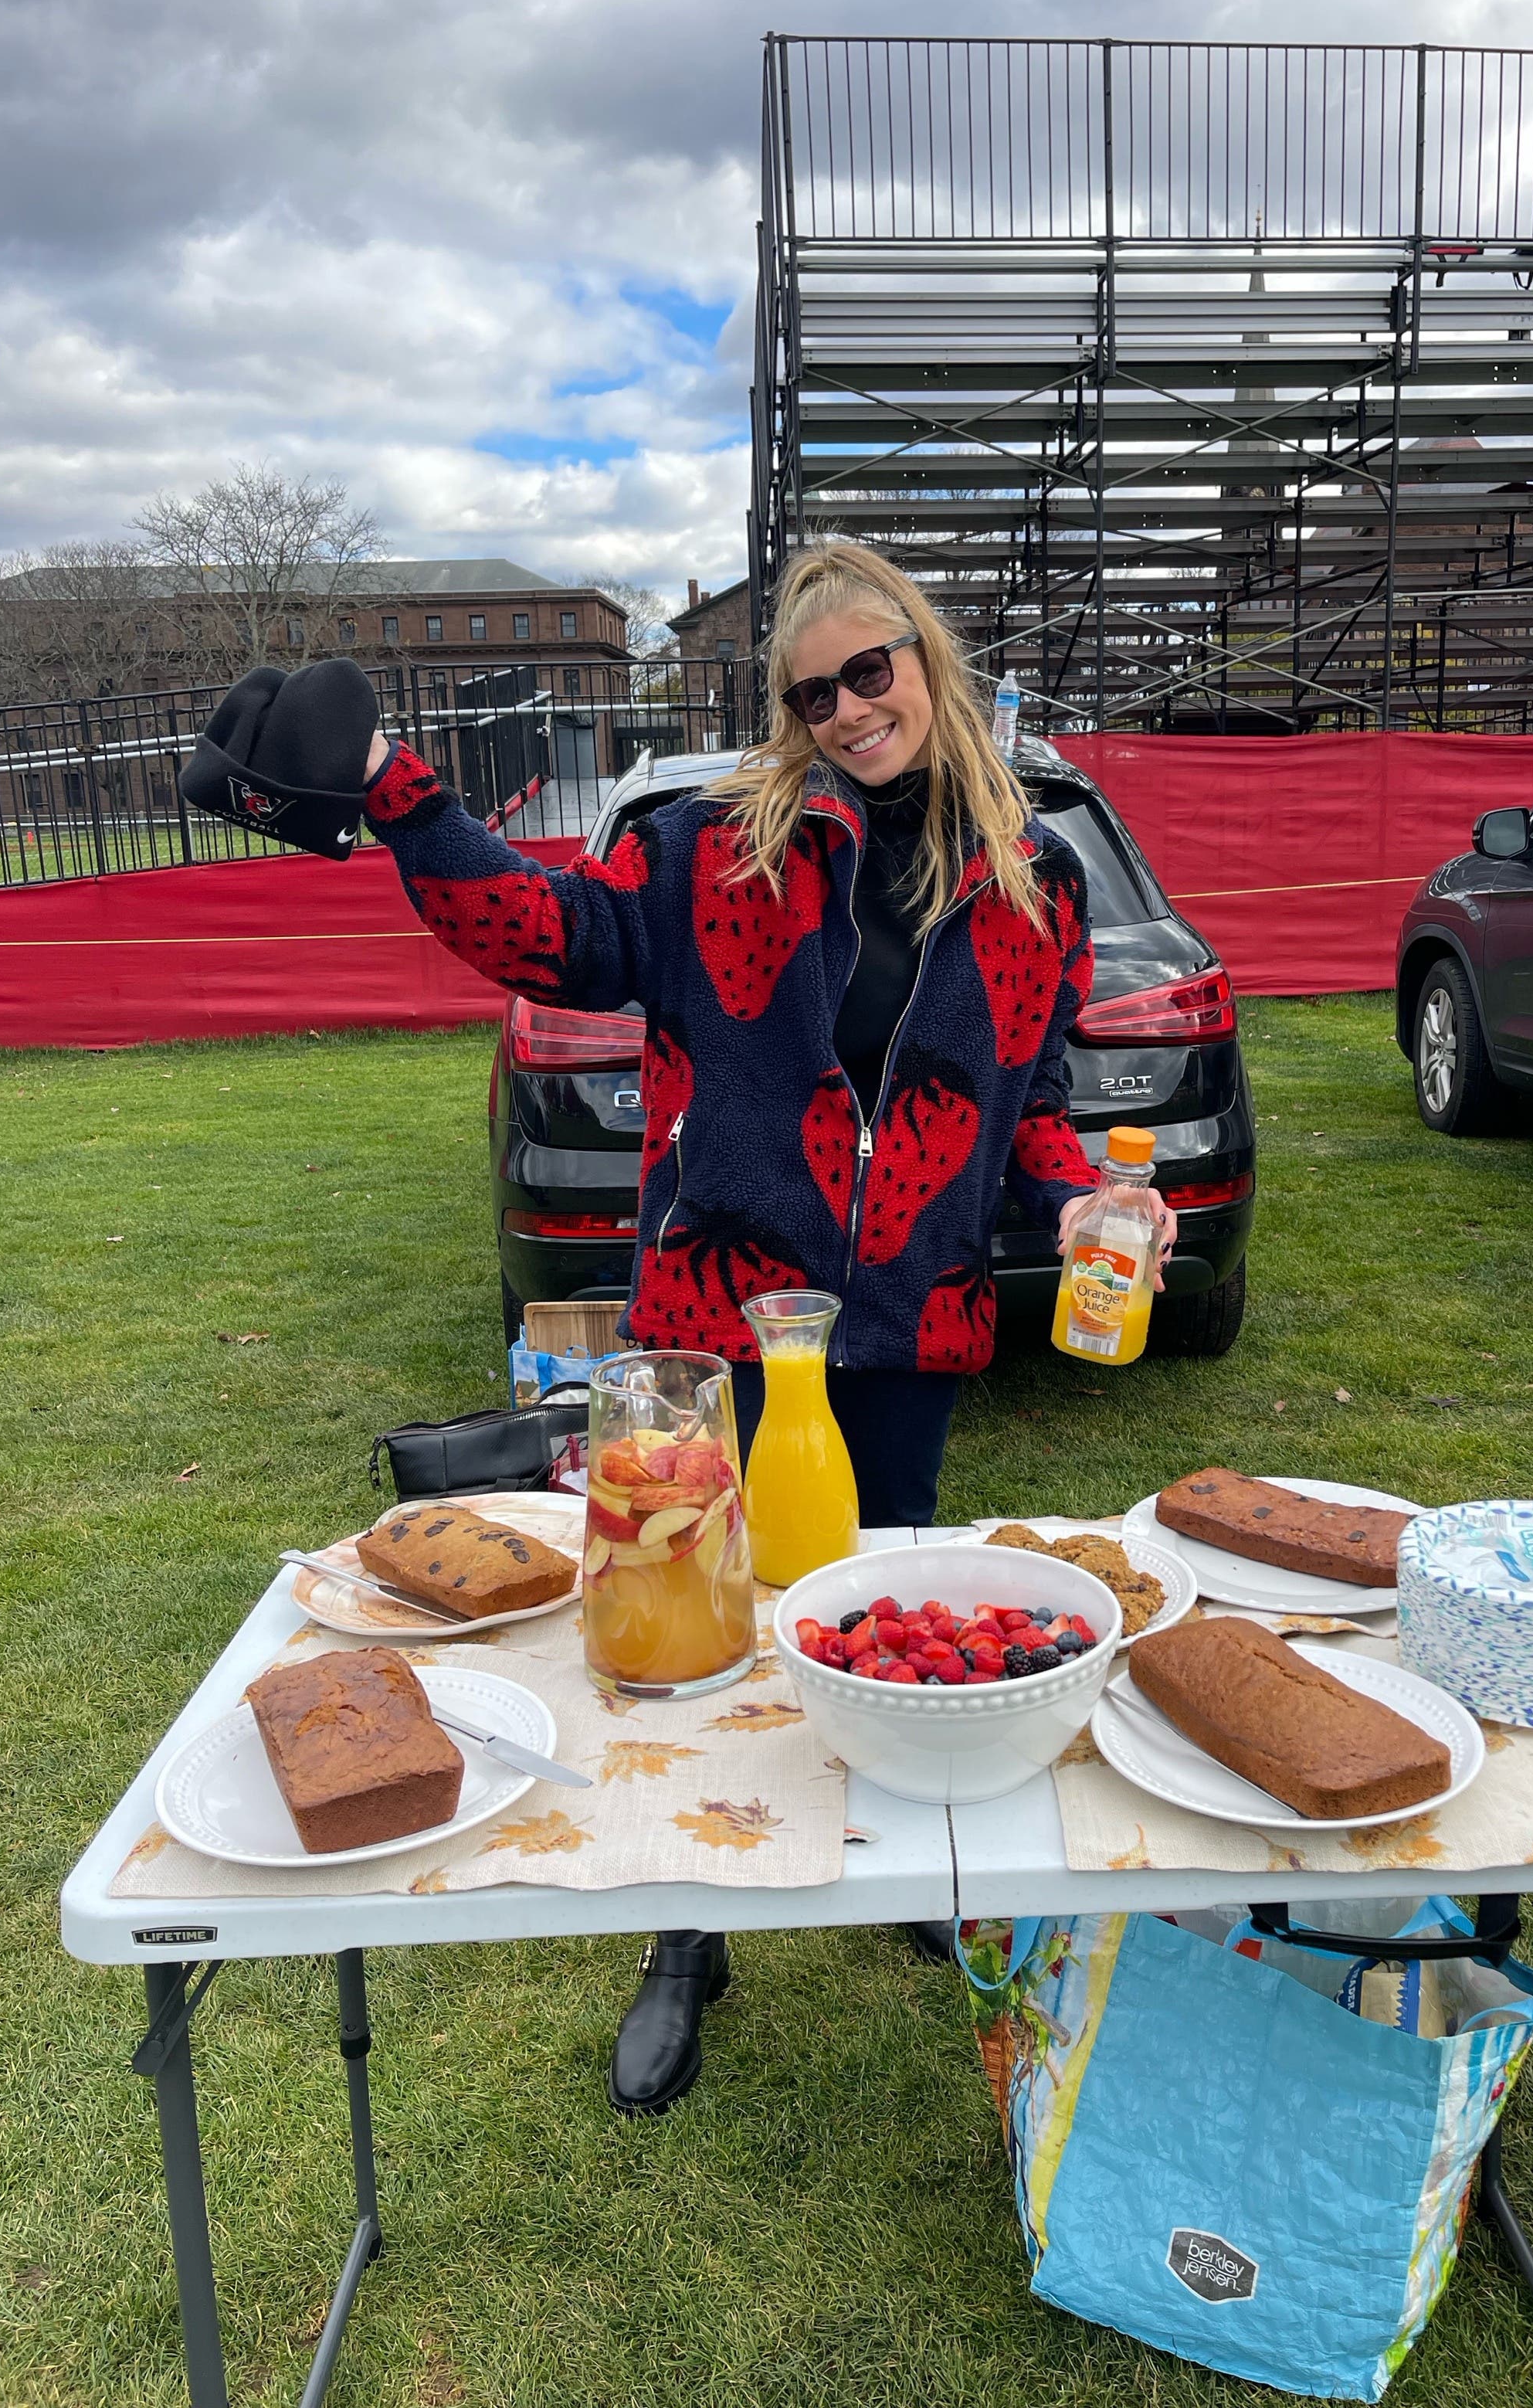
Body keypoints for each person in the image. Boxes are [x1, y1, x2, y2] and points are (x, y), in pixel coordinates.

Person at [258, 538, 1173, 2111]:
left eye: (867, 671)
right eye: (810, 690)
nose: (844, 707)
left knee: (889, 1632)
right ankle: (686, 1931)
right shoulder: (706, 854)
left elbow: (1033, 1118)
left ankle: (899, 1860)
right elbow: (546, 933)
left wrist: (1092, 1200)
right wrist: (402, 788)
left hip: (907, 1330)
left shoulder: (1039, 884)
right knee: (690, 1636)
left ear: (924, 659)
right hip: (716, 1329)